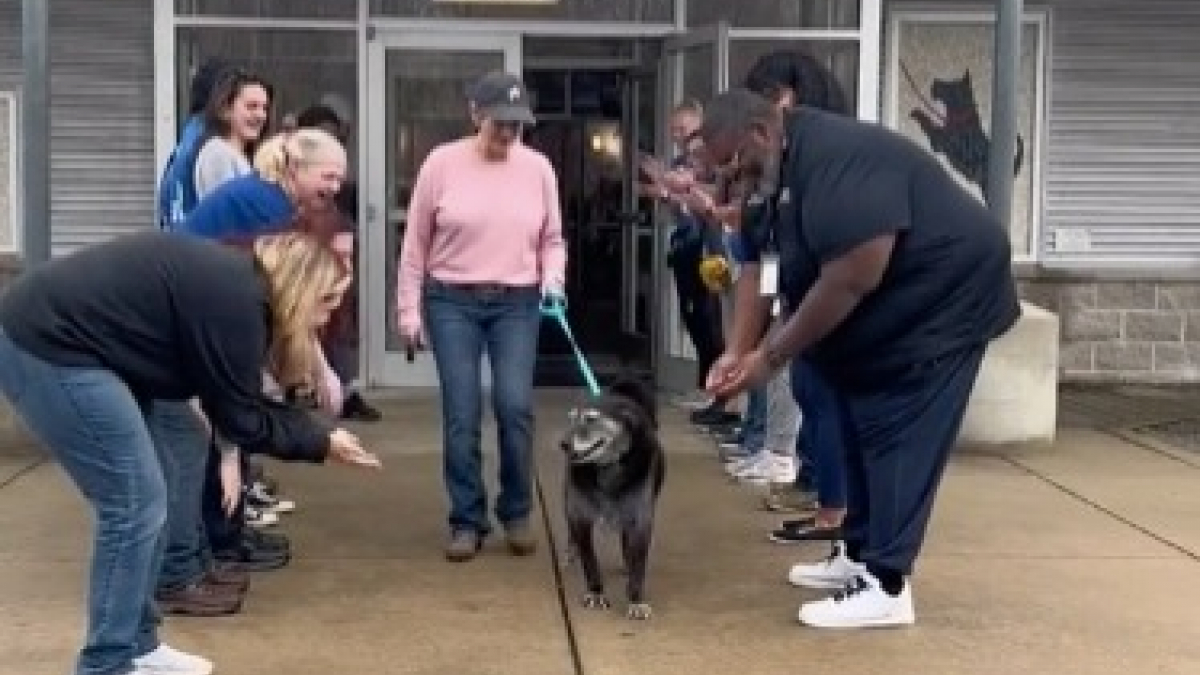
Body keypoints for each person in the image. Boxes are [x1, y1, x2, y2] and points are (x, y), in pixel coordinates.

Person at [700, 88, 1020, 629]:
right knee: (837, 405)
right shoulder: (771, 175)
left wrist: (770, 359)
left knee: (894, 426)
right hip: (881, 307)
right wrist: (736, 351)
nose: (734, 182)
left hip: (943, 299)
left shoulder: (836, 156)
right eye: (722, 173)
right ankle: (856, 551)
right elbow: (760, 267)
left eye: (735, 164)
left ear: (760, 132)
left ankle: (887, 584)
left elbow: (854, 273)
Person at [0, 230, 380, 675]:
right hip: (47, 344)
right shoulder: (239, 303)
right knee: (134, 503)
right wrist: (322, 442)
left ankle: (138, 647)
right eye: (328, 301)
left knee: (156, 485)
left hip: (97, 351)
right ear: (302, 287)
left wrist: (298, 438)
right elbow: (242, 416)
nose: (327, 318)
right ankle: (106, 664)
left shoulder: (239, 287)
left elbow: (231, 401)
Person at [396, 70, 567, 562]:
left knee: (514, 407)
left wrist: (553, 280)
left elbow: (552, 239)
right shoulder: (441, 164)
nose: (509, 135)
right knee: (462, 413)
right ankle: (467, 520)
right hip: (452, 299)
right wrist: (409, 310)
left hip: (518, 300)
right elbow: (415, 245)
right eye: (500, 124)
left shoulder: (538, 169)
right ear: (475, 115)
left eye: (517, 126)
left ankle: (516, 511)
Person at [740, 49, 854, 535]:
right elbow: (762, 249)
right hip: (799, 288)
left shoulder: (830, 156)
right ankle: (825, 496)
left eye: (770, 98)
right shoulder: (785, 161)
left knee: (825, 396)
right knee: (810, 390)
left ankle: (838, 513)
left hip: (837, 297)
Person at [294, 103, 384, 423]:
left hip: (333, 265)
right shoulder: (291, 184)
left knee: (341, 326)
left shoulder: (340, 186)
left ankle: (341, 391)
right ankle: (301, 389)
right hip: (303, 266)